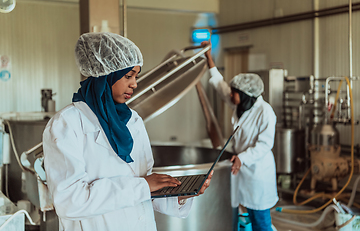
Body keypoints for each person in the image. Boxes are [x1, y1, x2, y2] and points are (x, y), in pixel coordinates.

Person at [42, 32, 213, 231]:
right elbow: (70, 201)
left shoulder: (133, 120)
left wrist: (180, 195)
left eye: (136, 76)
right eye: (128, 76)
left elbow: (144, 184)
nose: (135, 84)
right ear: (105, 75)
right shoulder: (67, 124)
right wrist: (143, 186)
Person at [201, 41, 278, 231]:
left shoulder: (265, 112)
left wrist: (242, 158)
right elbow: (220, 86)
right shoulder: (241, 104)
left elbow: (265, 144)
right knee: (238, 215)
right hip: (239, 169)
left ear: (246, 95)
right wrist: (209, 57)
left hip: (257, 172)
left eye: (235, 93)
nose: (231, 96)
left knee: (260, 219)